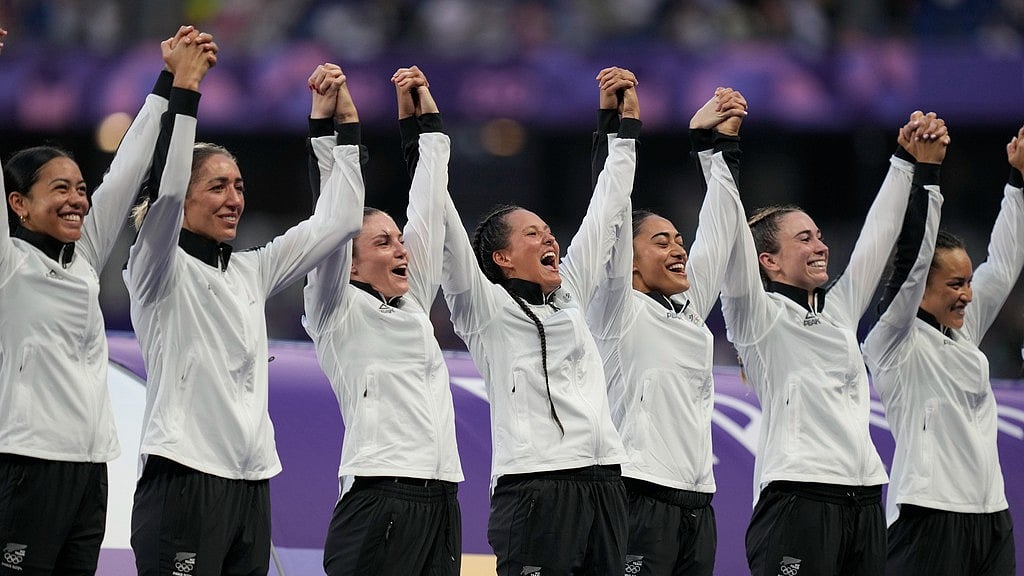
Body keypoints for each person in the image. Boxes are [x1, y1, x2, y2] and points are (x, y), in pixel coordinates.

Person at [124, 37, 363, 575]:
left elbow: (341, 220)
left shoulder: (252, 270)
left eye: (238, 186)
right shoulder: (156, 269)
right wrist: (185, 88)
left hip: (251, 485)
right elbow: (161, 195)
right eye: (216, 187)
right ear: (183, 198)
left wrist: (335, 131)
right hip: (181, 478)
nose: (234, 199)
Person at [0, 25, 200, 576]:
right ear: (17, 204)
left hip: (90, 469)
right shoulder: (8, 265)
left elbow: (131, 166)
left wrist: (171, 81)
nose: (76, 199)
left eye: (79, 188)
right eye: (58, 189)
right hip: (24, 462)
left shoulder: (84, 257)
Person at [720, 110, 949, 576]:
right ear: (769, 261)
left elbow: (877, 240)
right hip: (798, 497)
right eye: (804, 239)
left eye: (820, 235)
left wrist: (909, 163)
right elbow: (730, 241)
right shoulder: (757, 317)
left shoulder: (839, 308)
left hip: (864, 498)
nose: (821, 246)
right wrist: (720, 151)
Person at [440, 68, 638, 576]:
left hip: (605, 482)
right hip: (535, 485)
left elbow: (609, 208)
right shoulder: (484, 310)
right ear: (502, 259)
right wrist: (423, 133)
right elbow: (442, 231)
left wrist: (618, 126)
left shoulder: (570, 289)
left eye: (549, 231)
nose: (550, 239)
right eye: (532, 235)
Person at [302, 65, 463, 576]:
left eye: (398, 239)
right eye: (383, 242)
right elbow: (332, 220)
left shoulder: (413, 301)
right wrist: (336, 133)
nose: (401, 249)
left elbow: (431, 208)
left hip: (441, 495)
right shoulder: (334, 309)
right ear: (348, 261)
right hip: (380, 491)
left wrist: (427, 129)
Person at [585, 81, 747, 576]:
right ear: (628, 260)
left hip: (698, 501)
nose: (679, 248)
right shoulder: (616, 309)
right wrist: (618, 128)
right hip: (636, 494)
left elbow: (720, 229)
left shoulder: (688, 310)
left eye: (679, 239)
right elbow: (607, 215)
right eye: (661, 241)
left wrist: (716, 147)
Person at [864, 124, 1020, 576]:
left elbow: (1006, 265)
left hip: (992, 514)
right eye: (955, 284)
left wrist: (1019, 181)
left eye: (969, 283)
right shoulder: (892, 341)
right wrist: (926, 177)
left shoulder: (963, 334)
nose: (968, 295)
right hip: (928, 513)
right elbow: (912, 263)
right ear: (921, 290)